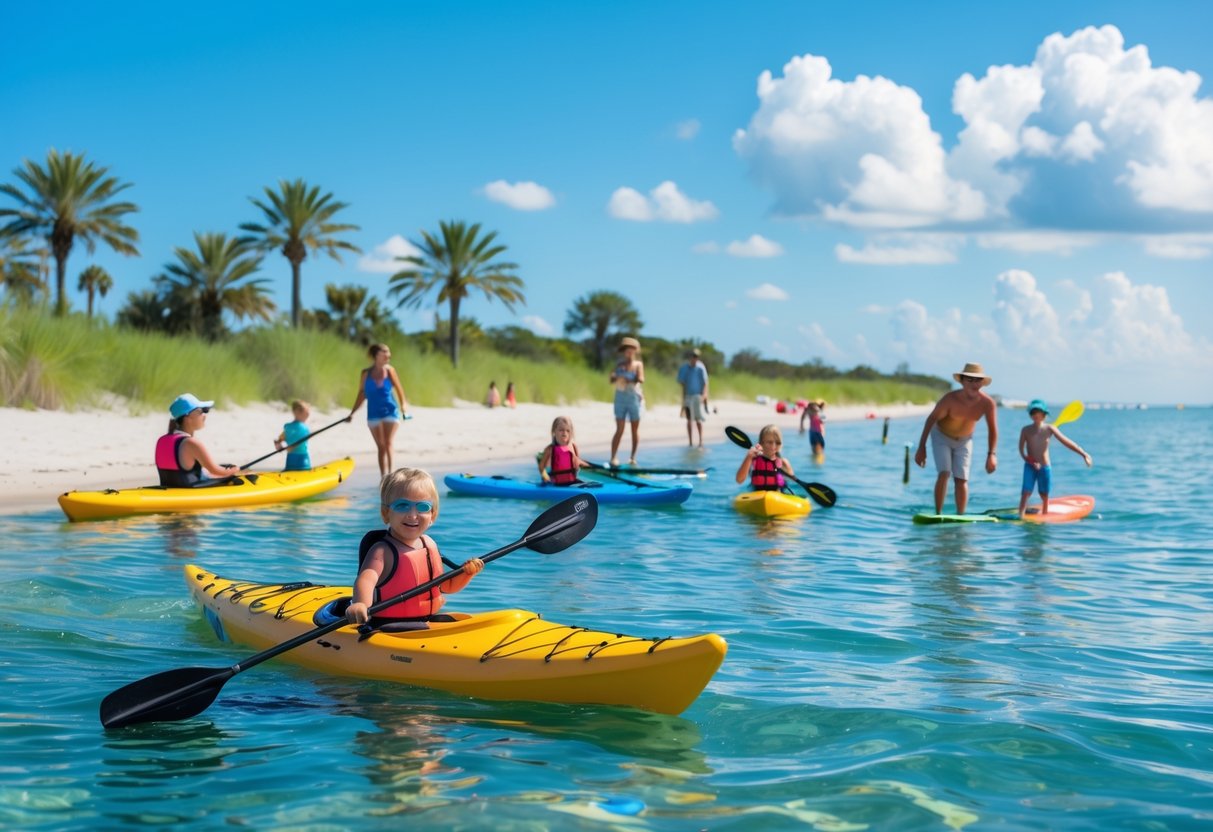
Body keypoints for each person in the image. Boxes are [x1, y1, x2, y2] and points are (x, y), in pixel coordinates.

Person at [345, 468, 484, 627]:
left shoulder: (429, 544)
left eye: (422, 507)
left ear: (432, 516)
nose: (412, 515)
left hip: (428, 620)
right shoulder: (383, 551)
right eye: (402, 505)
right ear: (385, 513)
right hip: (387, 625)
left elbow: (446, 586)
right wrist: (360, 603)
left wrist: (466, 573)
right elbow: (366, 579)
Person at [914, 362, 999, 515]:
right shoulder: (950, 399)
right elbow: (931, 420)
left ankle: (960, 516)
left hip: (965, 441)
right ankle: (938, 513)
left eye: (977, 380)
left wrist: (991, 455)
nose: (974, 384)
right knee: (945, 473)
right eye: (969, 380)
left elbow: (993, 430)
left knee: (962, 479)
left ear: (982, 383)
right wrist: (921, 448)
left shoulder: (988, 403)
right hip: (941, 436)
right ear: (962, 381)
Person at [1018, 399, 1092, 517]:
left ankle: (1045, 515)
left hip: (1044, 466)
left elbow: (1066, 442)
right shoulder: (1025, 430)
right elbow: (1021, 449)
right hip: (1030, 466)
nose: (1035, 414)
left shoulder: (1050, 429)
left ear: (1044, 414)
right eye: (1033, 412)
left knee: (1044, 494)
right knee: (1026, 492)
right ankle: (1020, 515)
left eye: (1038, 412)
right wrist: (1028, 460)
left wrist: (1083, 454)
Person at [154, 393, 244, 487]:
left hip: (168, 490)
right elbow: (215, 471)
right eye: (201, 411)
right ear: (187, 418)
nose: (204, 415)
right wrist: (235, 470)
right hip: (189, 491)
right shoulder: (192, 443)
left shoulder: (162, 440)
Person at [347, 343, 409, 477]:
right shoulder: (365, 373)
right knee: (381, 446)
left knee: (388, 442)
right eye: (385, 352)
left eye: (389, 352)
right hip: (373, 413)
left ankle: (391, 476)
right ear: (376, 355)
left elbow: (400, 390)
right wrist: (352, 413)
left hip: (390, 411)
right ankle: (383, 477)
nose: (388, 355)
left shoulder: (390, 371)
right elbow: (361, 394)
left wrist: (403, 404)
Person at [608, 336, 645, 466]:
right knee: (620, 429)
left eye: (631, 349)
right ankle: (613, 457)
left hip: (634, 398)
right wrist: (616, 376)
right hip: (620, 398)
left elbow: (641, 379)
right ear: (624, 351)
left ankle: (632, 457)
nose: (628, 352)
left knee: (634, 430)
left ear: (635, 351)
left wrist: (629, 378)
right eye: (626, 349)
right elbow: (611, 379)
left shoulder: (638, 365)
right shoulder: (619, 365)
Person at [735, 424, 795, 491]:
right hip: (757, 493)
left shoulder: (783, 463)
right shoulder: (753, 460)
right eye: (769, 442)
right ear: (761, 443)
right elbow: (739, 480)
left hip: (777, 494)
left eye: (778, 443)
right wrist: (748, 457)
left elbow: (792, 482)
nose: (773, 446)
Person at [676, 348, 710, 448]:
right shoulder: (684, 368)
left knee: (698, 419)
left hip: (697, 396)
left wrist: (704, 395)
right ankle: (690, 442)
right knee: (689, 419)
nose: (694, 358)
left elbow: (705, 383)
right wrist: (683, 398)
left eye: (696, 356)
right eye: (693, 356)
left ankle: (701, 441)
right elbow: (682, 382)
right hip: (687, 396)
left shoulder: (701, 368)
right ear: (690, 357)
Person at [538, 416, 585, 485]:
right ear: (554, 431)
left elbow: (577, 465)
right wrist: (545, 477)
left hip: (571, 482)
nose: (564, 433)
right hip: (555, 483)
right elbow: (541, 466)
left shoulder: (574, 447)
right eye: (561, 430)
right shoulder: (550, 449)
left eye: (568, 431)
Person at [274, 400, 313, 471]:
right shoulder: (304, 428)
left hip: (291, 460)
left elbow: (278, 441)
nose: (307, 416)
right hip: (303, 462)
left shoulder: (288, 428)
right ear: (297, 412)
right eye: (306, 414)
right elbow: (305, 437)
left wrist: (279, 446)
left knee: (290, 469)